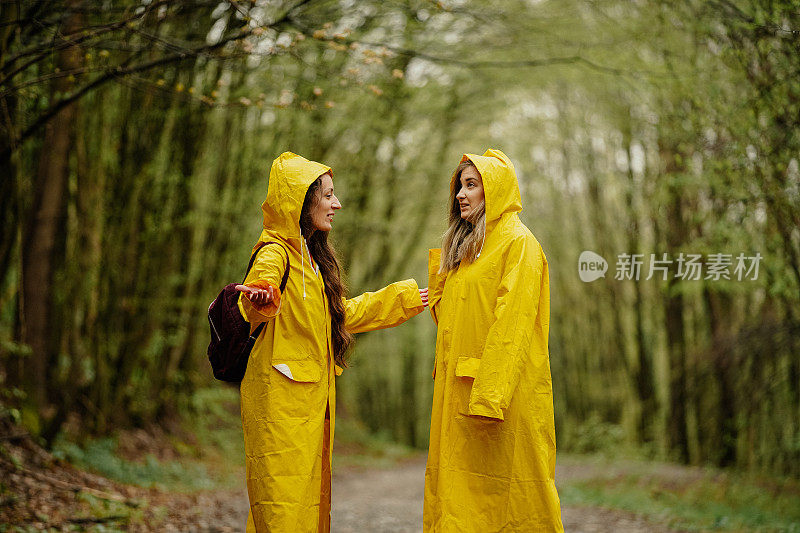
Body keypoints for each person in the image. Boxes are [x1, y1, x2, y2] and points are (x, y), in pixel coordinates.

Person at [236, 151, 428, 532]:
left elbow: (340, 315)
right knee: (281, 509)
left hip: (308, 406)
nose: (336, 204)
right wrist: (260, 297)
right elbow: (258, 292)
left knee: (303, 506)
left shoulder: (309, 257)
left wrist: (406, 299)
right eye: (327, 195)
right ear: (301, 202)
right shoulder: (275, 252)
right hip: (279, 406)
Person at [424, 149, 564, 532]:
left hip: (500, 399)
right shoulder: (469, 248)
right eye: (459, 186)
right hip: (458, 397)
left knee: (515, 500)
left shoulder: (519, 243)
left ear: (495, 191)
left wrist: (488, 398)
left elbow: (512, 328)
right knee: (457, 504)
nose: (460, 195)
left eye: (472, 186)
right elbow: (451, 322)